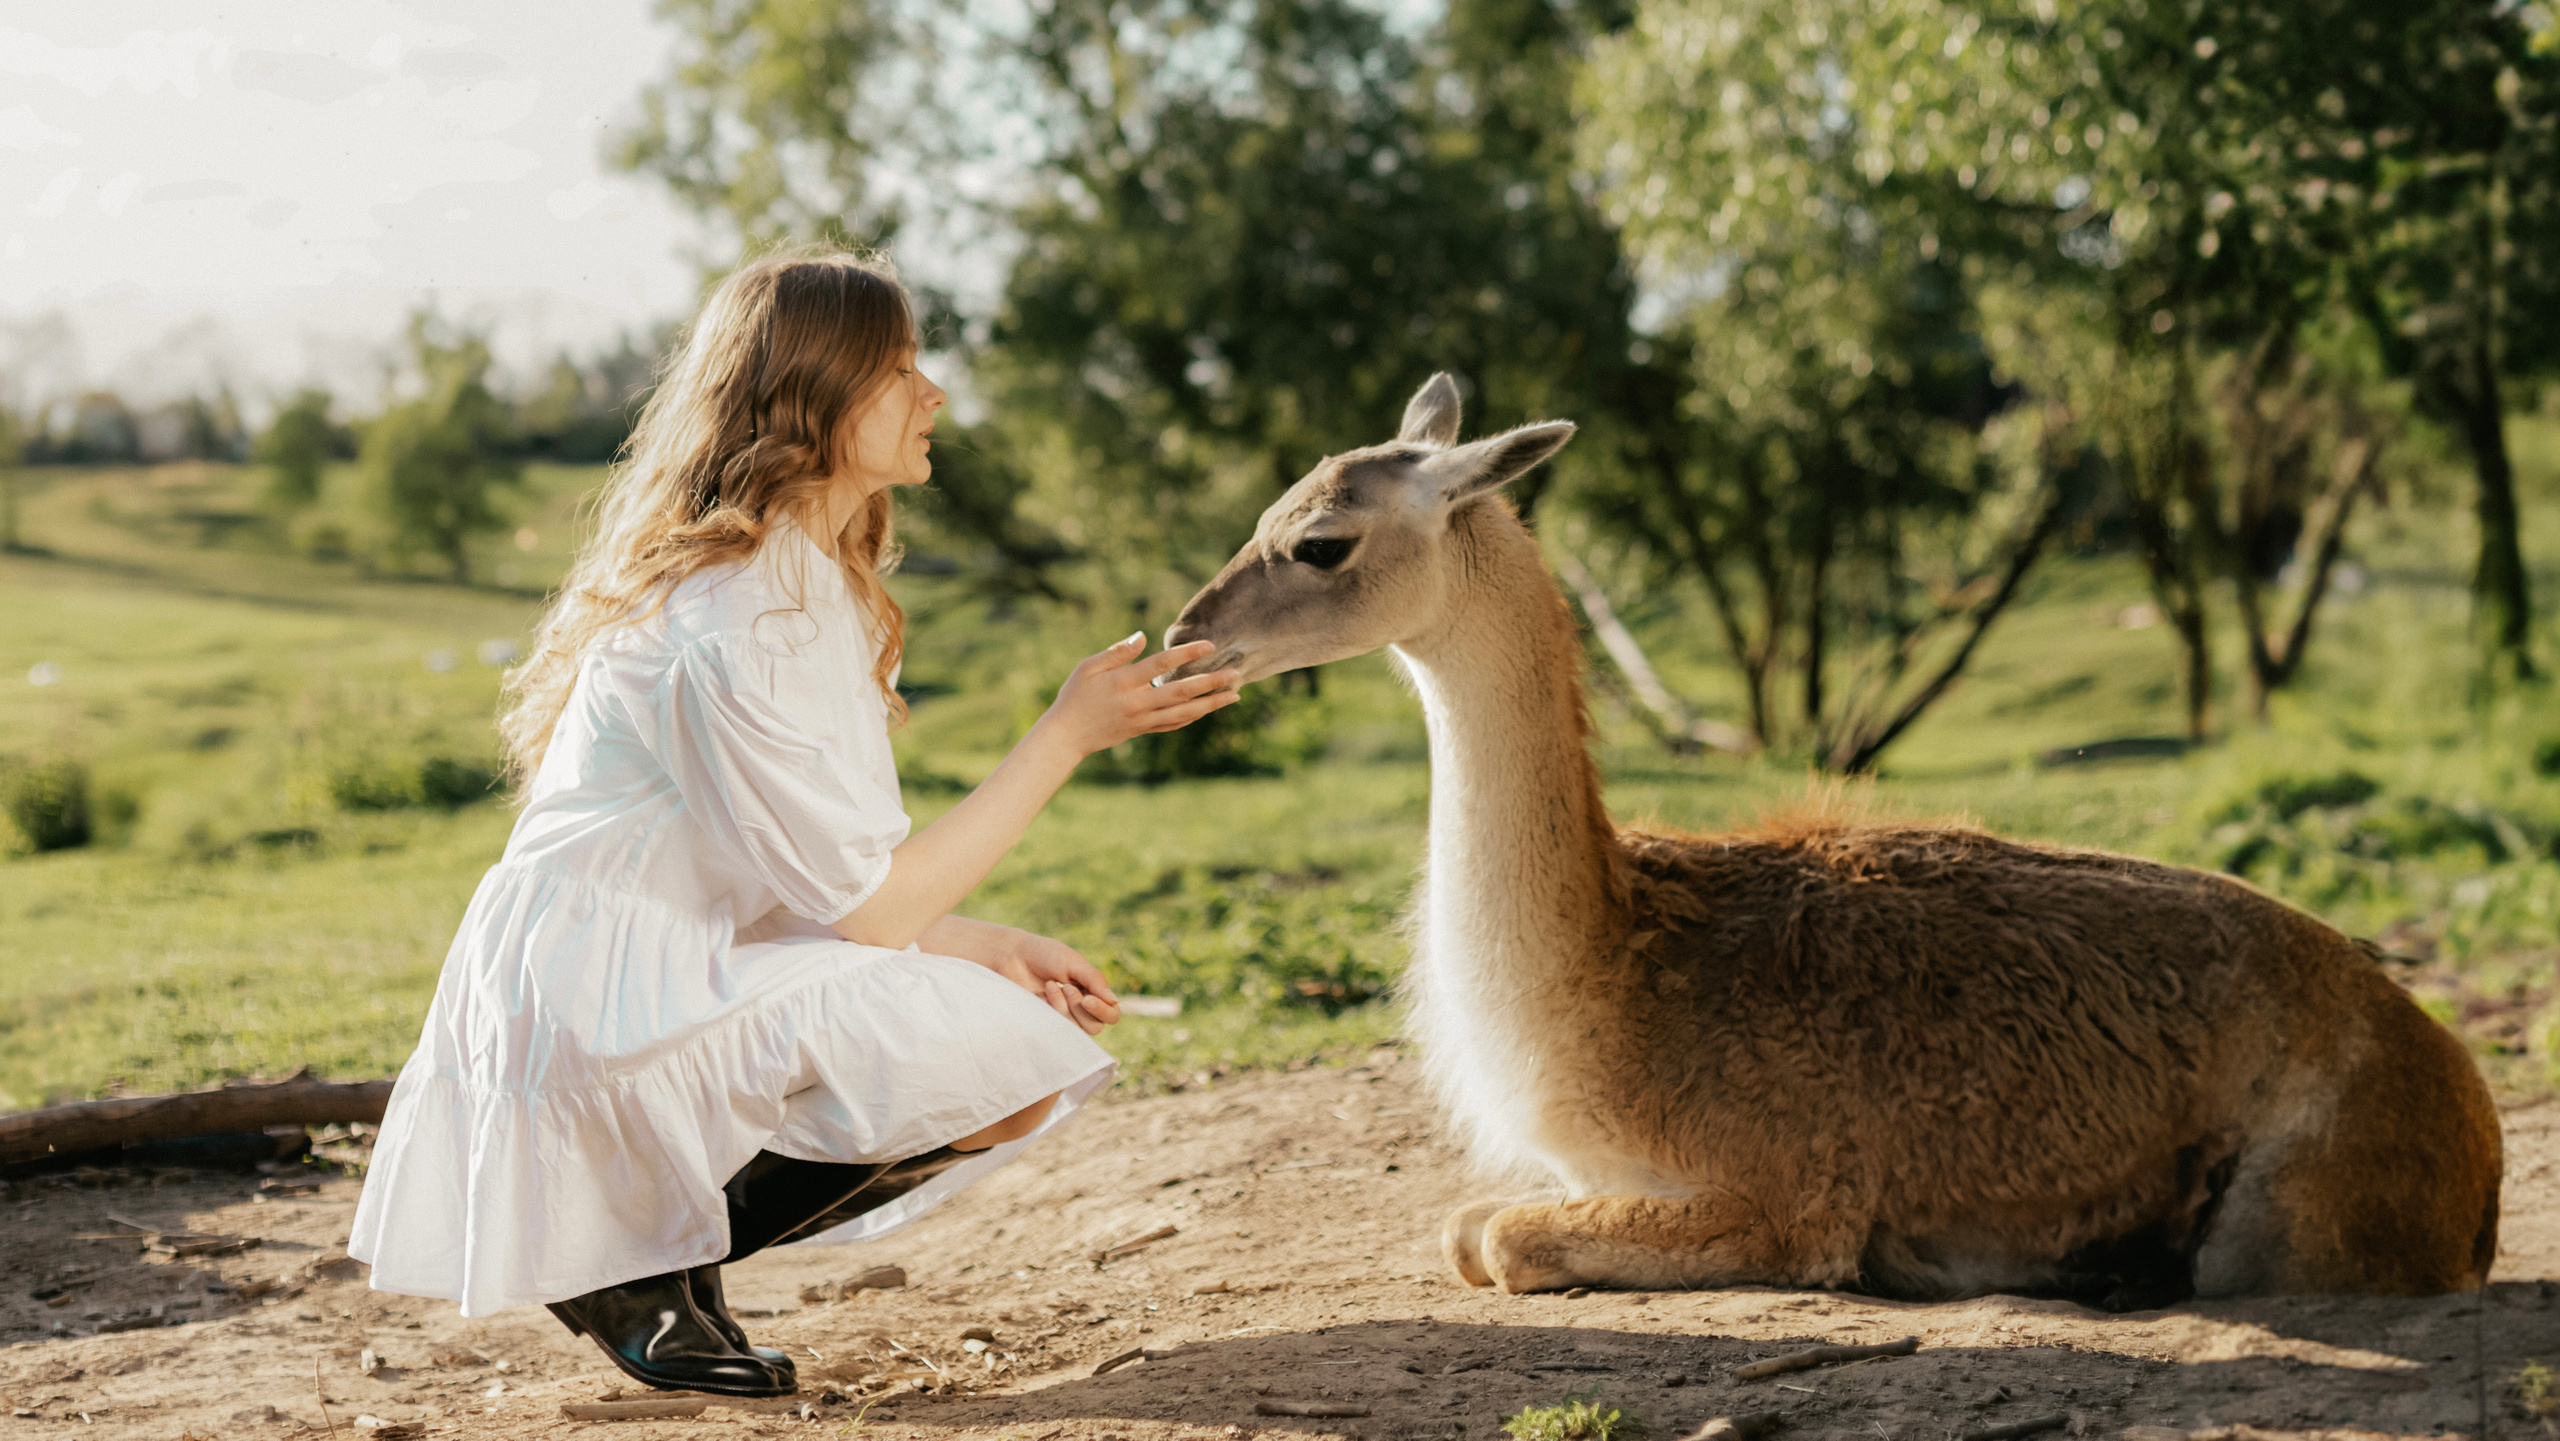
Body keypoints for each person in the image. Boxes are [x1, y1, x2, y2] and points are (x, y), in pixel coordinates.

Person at [346, 247, 1242, 1398]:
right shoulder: (737, 614)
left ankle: (653, 1263)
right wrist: (1062, 735)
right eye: (901, 369)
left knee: (1007, 1051)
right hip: (600, 984)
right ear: (811, 397)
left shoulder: (802, 580)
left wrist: (990, 944)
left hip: (682, 950)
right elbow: (864, 913)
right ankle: (628, 1268)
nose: (935, 394)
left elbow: (827, 883)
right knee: (991, 1051)